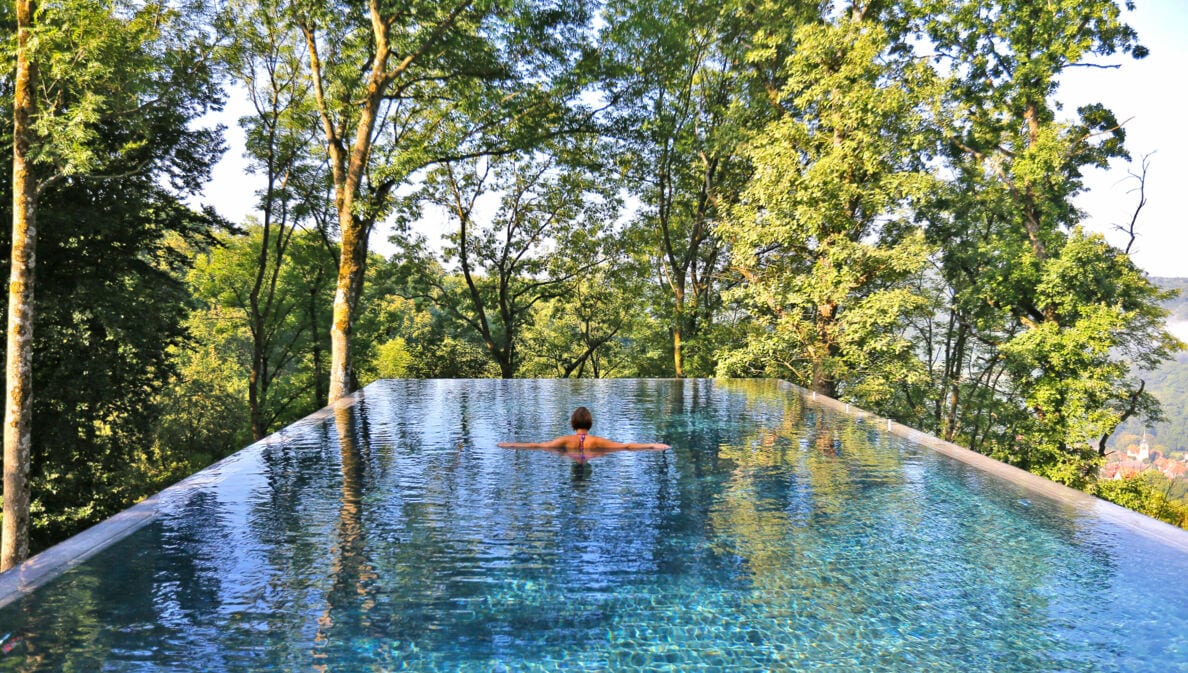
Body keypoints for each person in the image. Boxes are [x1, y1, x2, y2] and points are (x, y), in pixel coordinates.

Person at [498, 406, 669, 463]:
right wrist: (653, 445)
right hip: (590, 454)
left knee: (577, 463)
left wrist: (511, 445)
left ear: (572, 423)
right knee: (583, 462)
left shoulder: (565, 441)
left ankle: (578, 474)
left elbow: (538, 446)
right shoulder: (596, 441)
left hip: (571, 454)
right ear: (590, 423)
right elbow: (626, 447)